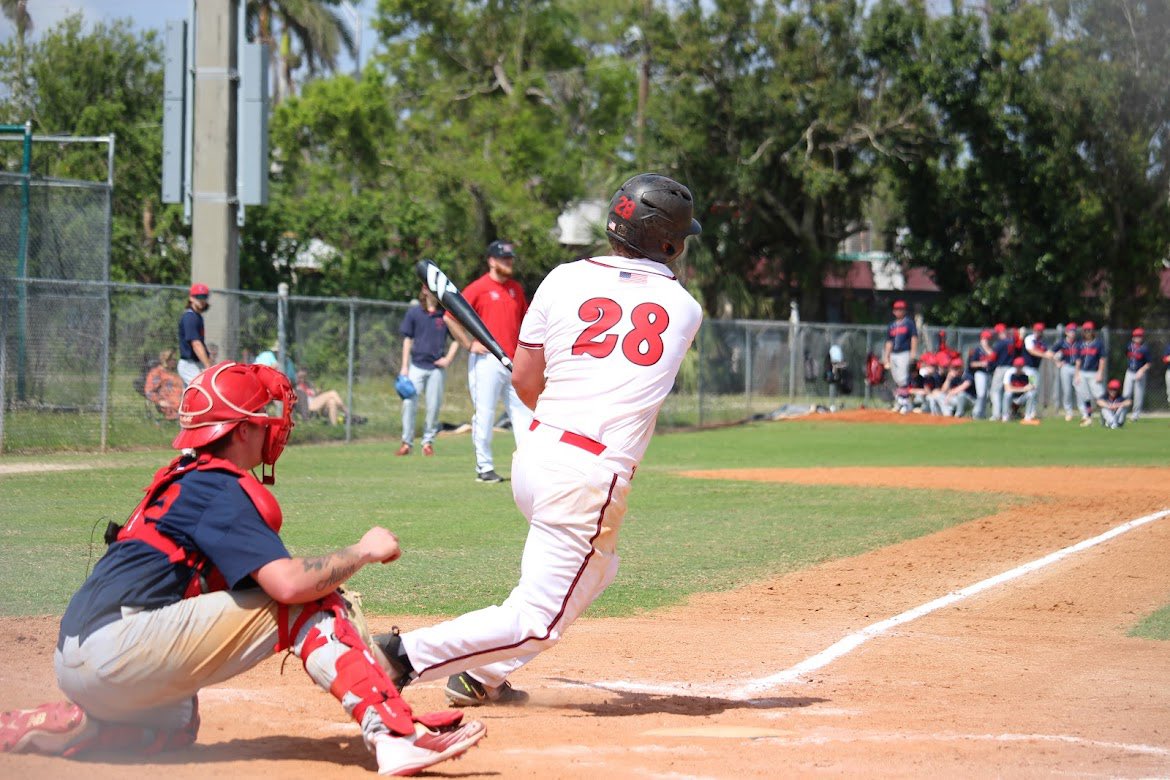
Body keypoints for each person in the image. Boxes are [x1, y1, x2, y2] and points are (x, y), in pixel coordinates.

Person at [0, 361, 485, 774]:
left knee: (175, 725)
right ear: (241, 429)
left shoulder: (185, 479)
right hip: (118, 649)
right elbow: (288, 585)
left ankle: (87, 728)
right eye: (262, 419)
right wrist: (362, 551)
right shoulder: (220, 488)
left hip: (79, 656)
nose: (272, 428)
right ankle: (395, 735)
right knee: (311, 601)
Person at [374, 173, 703, 709]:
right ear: (668, 244)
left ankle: (481, 675)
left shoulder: (562, 278)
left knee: (599, 568)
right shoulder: (685, 308)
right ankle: (399, 656)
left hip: (536, 456)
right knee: (537, 621)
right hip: (588, 478)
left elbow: (527, 383)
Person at [453, 239, 533, 483]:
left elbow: (525, 322)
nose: (508, 262)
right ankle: (484, 467)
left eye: (510, 258)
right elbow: (451, 317)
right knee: (485, 414)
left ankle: (527, 466)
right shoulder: (479, 288)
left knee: (524, 415)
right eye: (503, 259)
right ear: (491, 261)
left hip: (513, 361)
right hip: (486, 360)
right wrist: (468, 344)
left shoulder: (515, 289)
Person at [397, 286, 460, 457]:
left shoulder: (445, 314)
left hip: (436, 369)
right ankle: (406, 443)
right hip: (416, 366)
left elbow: (457, 339)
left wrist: (448, 359)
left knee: (433, 407)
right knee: (409, 403)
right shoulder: (414, 312)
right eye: (430, 288)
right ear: (424, 290)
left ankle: (427, 443)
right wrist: (404, 366)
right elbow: (407, 340)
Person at [177, 283, 212, 386]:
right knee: (204, 390)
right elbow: (196, 343)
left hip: (195, 364)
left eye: (204, 297)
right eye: (198, 297)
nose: (201, 300)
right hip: (189, 364)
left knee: (190, 395)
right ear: (191, 298)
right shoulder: (190, 317)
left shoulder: (197, 316)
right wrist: (208, 366)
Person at [1075, 320, 1105, 427]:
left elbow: (1102, 359)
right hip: (1082, 372)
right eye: (1085, 330)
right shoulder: (1080, 344)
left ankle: (1105, 416)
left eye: (1089, 330)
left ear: (1093, 331)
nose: (1087, 332)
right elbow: (1078, 360)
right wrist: (1077, 374)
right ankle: (1088, 417)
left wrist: (1100, 372)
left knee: (1099, 395)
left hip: (1094, 373)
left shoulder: (1098, 343)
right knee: (1085, 396)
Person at [882, 300, 917, 390]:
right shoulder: (891, 325)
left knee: (903, 377)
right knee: (895, 377)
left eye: (901, 309)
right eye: (897, 309)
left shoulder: (909, 323)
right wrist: (886, 356)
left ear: (904, 311)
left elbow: (914, 338)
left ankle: (904, 396)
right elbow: (889, 342)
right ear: (893, 311)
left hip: (904, 352)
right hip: (893, 353)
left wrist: (913, 353)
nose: (898, 311)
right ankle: (900, 395)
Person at [144, 349, 183, 420]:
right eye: (173, 359)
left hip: (183, 402)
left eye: (175, 359)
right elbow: (149, 391)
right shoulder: (157, 372)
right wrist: (159, 401)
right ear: (166, 360)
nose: (175, 361)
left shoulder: (175, 372)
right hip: (171, 404)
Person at [1122, 327, 1150, 421]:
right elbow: (1126, 355)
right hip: (1130, 371)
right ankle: (1122, 412)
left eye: (1139, 336)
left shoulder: (1145, 348)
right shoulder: (1129, 346)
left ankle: (1135, 415)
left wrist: (1141, 370)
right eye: (1136, 336)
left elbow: (1149, 363)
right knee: (1126, 393)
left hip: (1140, 373)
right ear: (1133, 337)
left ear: (1142, 337)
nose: (1137, 338)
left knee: (1138, 395)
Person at [1053, 324, 1080, 421]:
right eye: (1071, 331)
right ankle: (1069, 412)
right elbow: (1051, 352)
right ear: (1066, 332)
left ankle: (1084, 411)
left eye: (1074, 331)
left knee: (1079, 390)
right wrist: (1057, 362)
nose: (1073, 333)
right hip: (1066, 367)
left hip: (1077, 368)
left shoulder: (1079, 343)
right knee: (1067, 391)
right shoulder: (1062, 342)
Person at [988, 323, 1014, 422]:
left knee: (995, 391)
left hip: (1001, 368)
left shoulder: (1000, 343)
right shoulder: (1011, 342)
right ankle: (1006, 415)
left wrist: (989, 366)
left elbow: (993, 357)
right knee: (1006, 392)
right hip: (1010, 368)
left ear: (1000, 332)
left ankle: (996, 414)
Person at [967, 329, 995, 419]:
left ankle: (982, 414)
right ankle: (976, 413)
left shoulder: (992, 350)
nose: (987, 341)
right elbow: (971, 364)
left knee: (988, 395)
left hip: (990, 374)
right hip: (980, 373)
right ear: (981, 339)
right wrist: (981, 363)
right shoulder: (977, 350)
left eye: (988, 339)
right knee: (981, 394)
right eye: (985, 339)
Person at [1003, 356, 1039, 424]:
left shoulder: (1029, 372)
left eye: (1020, 366)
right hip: (1013, 397)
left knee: (1032, 393)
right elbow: (1007, 388)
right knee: (1007, 394)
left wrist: (1027, 388)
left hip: (1023, 397)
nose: (1018, 368)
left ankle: (1028, 416)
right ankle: (1006, 416)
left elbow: (1033, 386)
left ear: (1023, 366)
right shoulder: (1009, 372)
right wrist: (1023, 389)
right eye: (1016, 366)